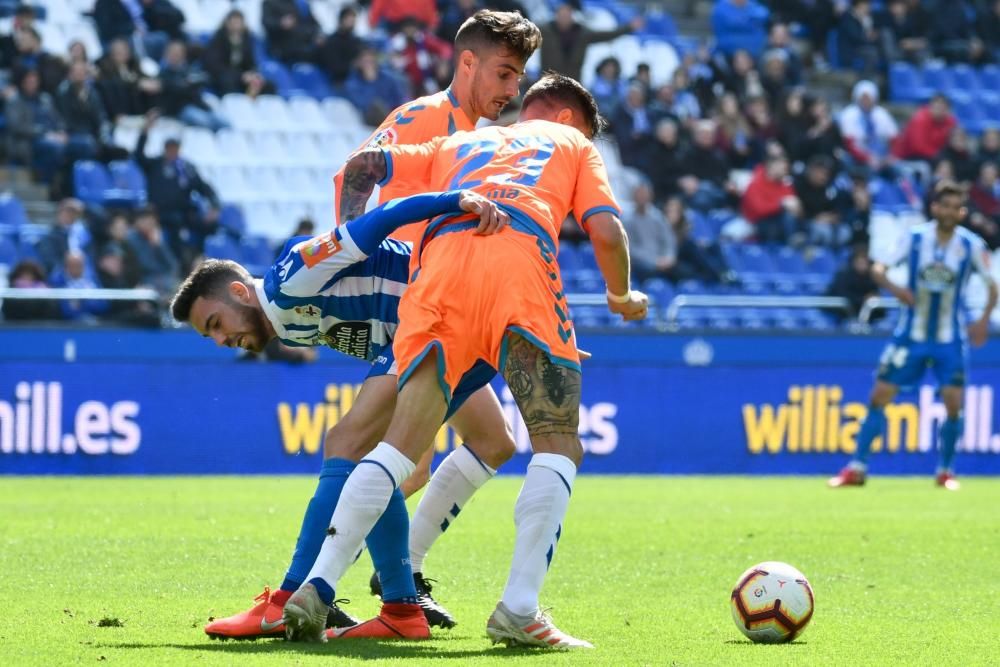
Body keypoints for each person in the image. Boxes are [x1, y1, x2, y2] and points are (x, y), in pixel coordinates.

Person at [203, 9, 541, 641]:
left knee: (481, 445)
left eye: (517, 78)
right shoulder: (424, 118)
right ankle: (366, 589)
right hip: (415, 304)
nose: (510, 92)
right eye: (503, 73)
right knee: (377, 452)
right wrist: (358, 273)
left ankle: (390, 580)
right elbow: (356, 175)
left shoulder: (492, 136)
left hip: (447, 308)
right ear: (466, 63)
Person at [284, 73, 648, 649]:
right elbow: (605, 230)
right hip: (520, 267)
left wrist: (348, 239)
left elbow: (361, 167)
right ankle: (519, 609)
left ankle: (317, 585)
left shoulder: (457, 143)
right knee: (557, 444)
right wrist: (622, 295)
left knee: (399, 448)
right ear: (566, 119)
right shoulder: (571, 144)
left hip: (437, 278)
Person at [173, 190, 511, 641]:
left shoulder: (290, 277)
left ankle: (289, 598)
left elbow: (382, 219)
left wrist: (455, 200)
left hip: (438, 313)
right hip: (445, 327)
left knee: (346, 444)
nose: (220, 340)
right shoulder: (287, 323)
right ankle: (402, 608)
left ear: (239, 292)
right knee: (492, 442)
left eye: (216, 324)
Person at [829, 181, 998, 491]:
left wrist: (983, 321)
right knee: (879, 395)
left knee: (953, 402)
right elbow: (879, 268)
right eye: (943, 205)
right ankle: (857, 467)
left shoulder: (971, 245)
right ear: (934, 207)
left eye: (954, 207)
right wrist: (897, 290)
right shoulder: (915, 238)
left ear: (961, 212)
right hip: (910, 335)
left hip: (950, 337)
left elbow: (993, 286)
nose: (948, 212)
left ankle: (945, 471)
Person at [134, 112, 221, 267]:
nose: (172, 151)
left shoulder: (186, 168)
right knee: (175, 229)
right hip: (160, 212)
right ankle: (179, 265)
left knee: (210, 226)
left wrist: (214, 205)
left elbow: (204, 187)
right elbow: (139, 155)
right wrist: (145, 132)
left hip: (183, 211)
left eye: (175, 147)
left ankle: (199, 256)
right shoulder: (156, 165)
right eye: (169, 147)